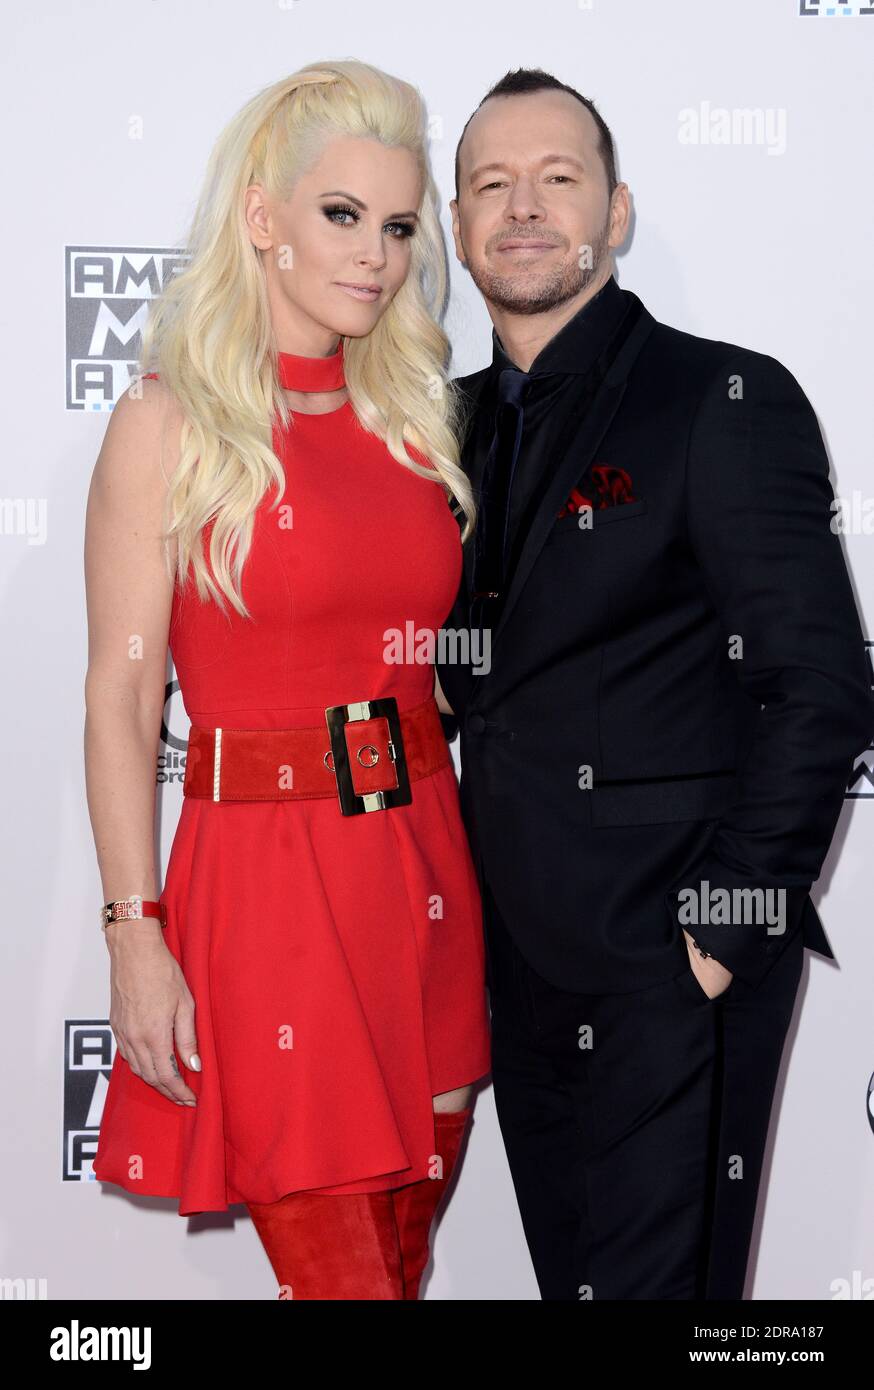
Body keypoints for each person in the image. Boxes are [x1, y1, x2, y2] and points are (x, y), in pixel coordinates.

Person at [434, 67, 874, 1299]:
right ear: (460, 225)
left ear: (615, 214)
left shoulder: (719, 398)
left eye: (557, 179)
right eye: (491, 184)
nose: (523, 207)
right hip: (509, 966)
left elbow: (821, 684)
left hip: (669, 962)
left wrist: (713, 941)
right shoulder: (437, 425)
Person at [84, 60, 491, 1301]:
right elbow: (117, 698)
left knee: (398, 1270)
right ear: (262, 216)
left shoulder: (413, 421)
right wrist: (133, 936)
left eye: (399, 226)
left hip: (422, 872)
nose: (375, 254)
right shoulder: (167, 424)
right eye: (341, 215)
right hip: (264, 895)